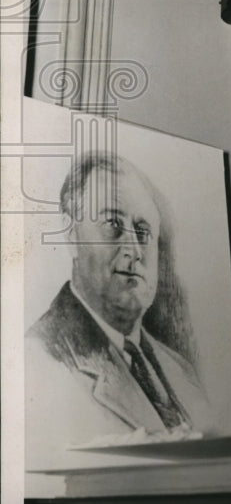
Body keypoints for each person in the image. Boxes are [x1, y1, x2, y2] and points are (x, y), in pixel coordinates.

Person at [25, 152, 212, 460]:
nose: (134, 250)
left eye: (143, 231)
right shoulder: (40, 357)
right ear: (71, 234)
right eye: (113, 223)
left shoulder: (182, 372)